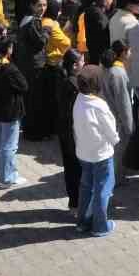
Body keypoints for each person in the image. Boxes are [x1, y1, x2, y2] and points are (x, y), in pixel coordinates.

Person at [72, 66, 119, 236]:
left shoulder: (78, 99)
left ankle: (82, 222)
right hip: (101, 155)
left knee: (86, 187)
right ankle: (100, 226)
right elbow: (110, 130)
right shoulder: (99, 105)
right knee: (103, 189)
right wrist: (116, 141)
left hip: (83, 153)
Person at [0, 37, 28, 186]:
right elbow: (24, 86)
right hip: (10, 111)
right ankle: (8, 177)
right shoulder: (10, 69)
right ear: (8, 50)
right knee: (9, 145)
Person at [54, 51, 84, 210]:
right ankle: (79, 204)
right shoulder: (73, 85)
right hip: (73, 132)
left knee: (70, 168)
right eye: (82, 62)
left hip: (65, 131)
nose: (83, 65)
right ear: (74, 65)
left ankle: (74, 202)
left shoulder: (62, 79)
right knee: (77, 170)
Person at [100, 46, 135, 178]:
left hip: (107, 116)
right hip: (117, 119)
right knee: (118, 150)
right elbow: (124, 103)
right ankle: (116, 178)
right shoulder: (118, 73)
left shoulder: (105, 68)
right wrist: (129, 127)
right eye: (129, 51)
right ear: (123, 53)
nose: (131, 53)